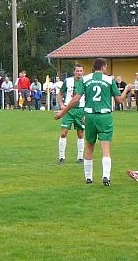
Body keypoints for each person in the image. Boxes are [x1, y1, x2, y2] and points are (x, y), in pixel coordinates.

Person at [54, 58, 133, 186]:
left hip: (89, 115)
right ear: (103, 67)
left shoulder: (86, 79)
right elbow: (119, 100)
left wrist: (62, 112)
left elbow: (76, 99)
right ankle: (106, 176)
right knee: (105, 147)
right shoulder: (109, 80)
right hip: (105, 116)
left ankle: (88, 178)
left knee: (89, 147)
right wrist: (126, 89)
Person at [57, 64, 85, 164]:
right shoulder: (68, 81)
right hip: (68, 110)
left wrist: (86, 112)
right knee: (63, 133)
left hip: (81, 110)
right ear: (74, 72)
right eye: (77, 71)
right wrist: (61, 105)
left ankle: (80, 157)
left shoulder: (86, 81)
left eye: (81, 71)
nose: (79, 73)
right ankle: (61, 157)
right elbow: (60, 93)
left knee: (80, 133)